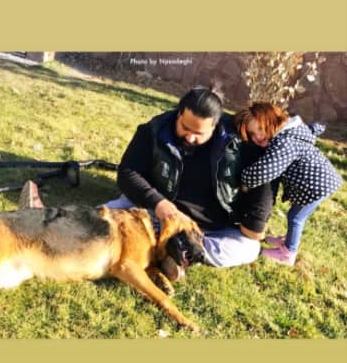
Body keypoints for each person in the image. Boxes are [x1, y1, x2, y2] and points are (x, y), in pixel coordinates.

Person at [106, 87, 274, 271]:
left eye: (199, 134)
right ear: (179, 114)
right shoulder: (154, 130)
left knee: (248, 248)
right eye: (185, 128)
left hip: (208, 230)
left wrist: (255, 223)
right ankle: (176, 250)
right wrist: (159, 203)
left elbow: (264, 178)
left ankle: (178, 248)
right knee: (105, 216)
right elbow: (127, 173)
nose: (190, 137)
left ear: (215, 126)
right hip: (156, 212)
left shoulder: (238, 141)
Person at [234, 102, 342, 265]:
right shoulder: (291, 132)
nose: (258, 136)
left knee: (296, 218)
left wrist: (244, 179)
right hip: (319, 184)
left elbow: (266, 170)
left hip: (317, 187)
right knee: (295, 215)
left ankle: (288, 253)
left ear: (273, 121)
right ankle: (288, 240)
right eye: (252, 133)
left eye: (261, 129)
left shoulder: (285, 143)